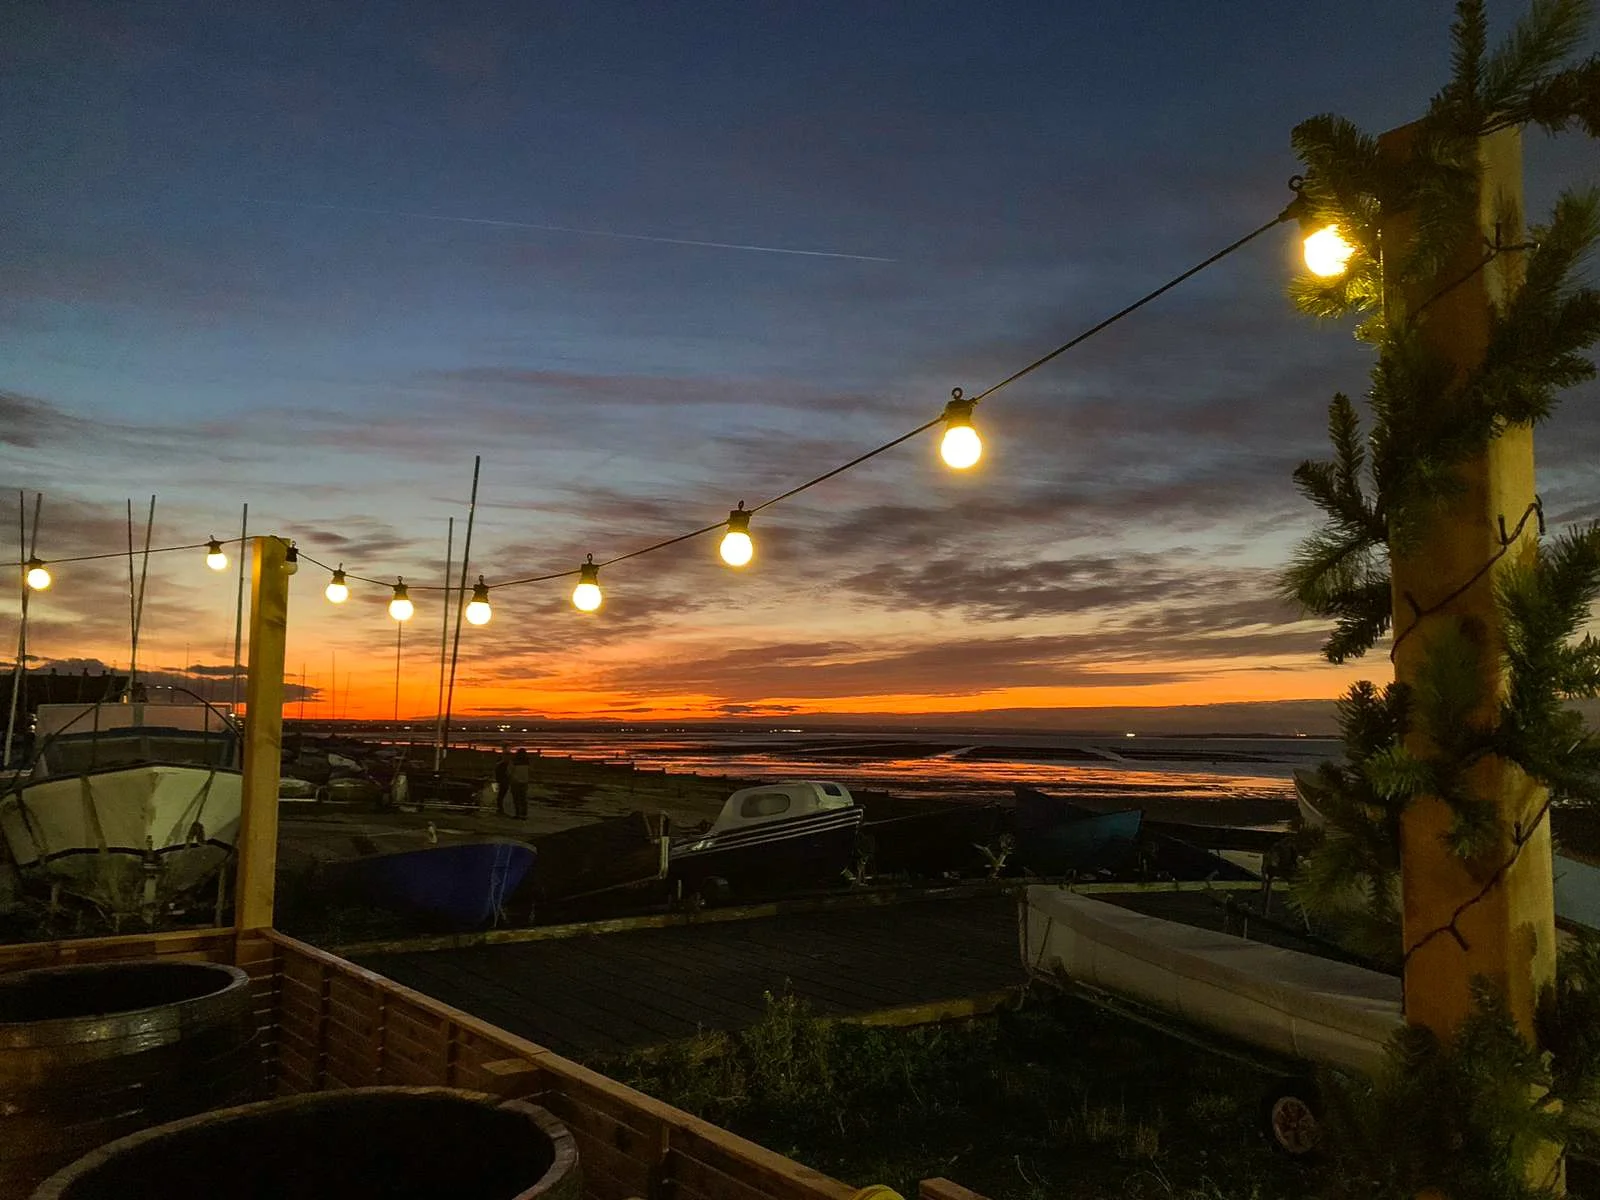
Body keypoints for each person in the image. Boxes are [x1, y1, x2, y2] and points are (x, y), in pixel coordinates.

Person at [508, 749, 532, 819]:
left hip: (516, 782)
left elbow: (509, 772)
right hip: (524, 782)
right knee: (523, 799)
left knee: (516, 799)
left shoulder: (513, 762)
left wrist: (511, 778)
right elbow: (530, 771)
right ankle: (524, 814)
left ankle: (518, 813)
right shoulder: (527, 762)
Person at [493, 750, 511, 816]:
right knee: (500, 797)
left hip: (498, 782)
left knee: (498, 797)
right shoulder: (505, 765)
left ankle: (499, 810)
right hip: (502, 783)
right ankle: (500, 810)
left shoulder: (499, 765)